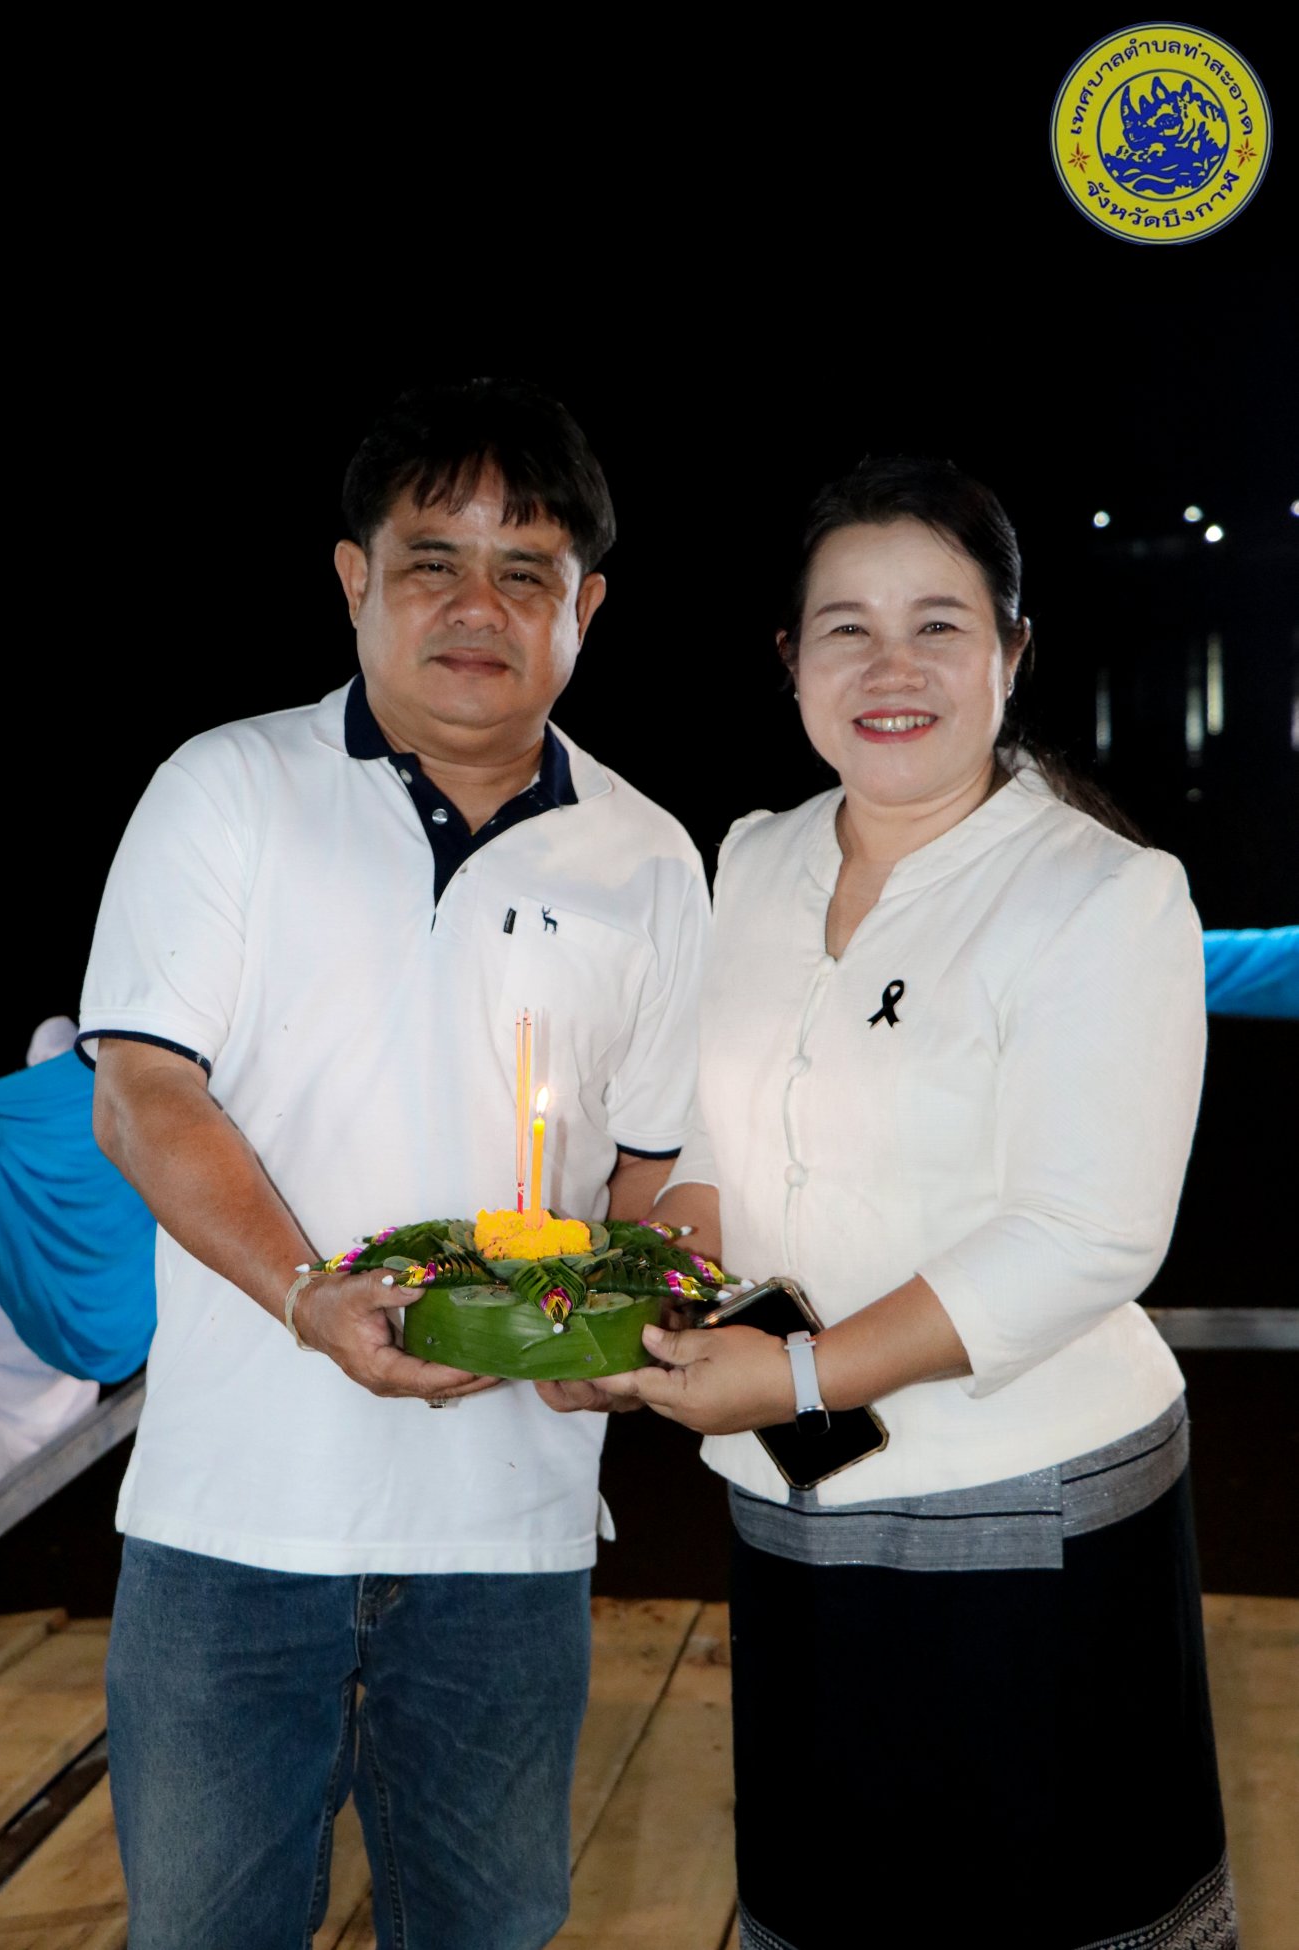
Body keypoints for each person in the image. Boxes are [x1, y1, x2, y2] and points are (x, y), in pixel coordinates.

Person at [543, 456, 1233, 1948]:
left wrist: (797, 1372)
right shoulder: (755, 857)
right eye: (846, 628)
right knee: (831, 1895)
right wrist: (641, 1303)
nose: (891, 666)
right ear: (791, 660)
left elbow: (1089, 1234)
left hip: (1030, 1505)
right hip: (794, 1497)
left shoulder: (1105, 894)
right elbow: (715, 1153)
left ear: (1012, 654)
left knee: (1040, 1906)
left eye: (939, 624)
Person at [76, 379, 710, 1950]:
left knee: (491, 1930)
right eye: (433, 561)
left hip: (509, 1535)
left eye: (526, 571)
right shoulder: (226, 790)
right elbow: (142, 1095)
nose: (477, 605)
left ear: (586, 609)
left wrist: (645, 1318)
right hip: (233, 1525)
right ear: (355, 578)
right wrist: (309, 1294)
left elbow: (652, 1181)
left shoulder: (649, 856)